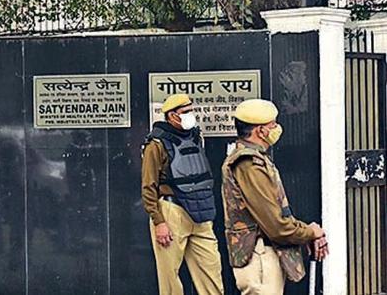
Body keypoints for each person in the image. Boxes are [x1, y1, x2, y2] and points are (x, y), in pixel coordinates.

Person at [221, 99, 329, 295]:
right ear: (260, 131)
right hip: (259, 256)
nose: (276, 128)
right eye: (273, 125)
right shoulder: (248, 164)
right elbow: (276, 225)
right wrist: (311, 232)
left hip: (263, 254)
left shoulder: (256, 159)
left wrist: (304, 234)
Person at [141, 94, 224, 295]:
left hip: (201, 211)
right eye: (185, 112)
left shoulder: (195, 136)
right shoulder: (157, 144)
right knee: (170, 279)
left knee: (212, 274)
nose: (190, 115)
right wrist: (158, 220)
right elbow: (148, 185)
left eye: (191, 111)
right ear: (171, 116)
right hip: (172, 211)